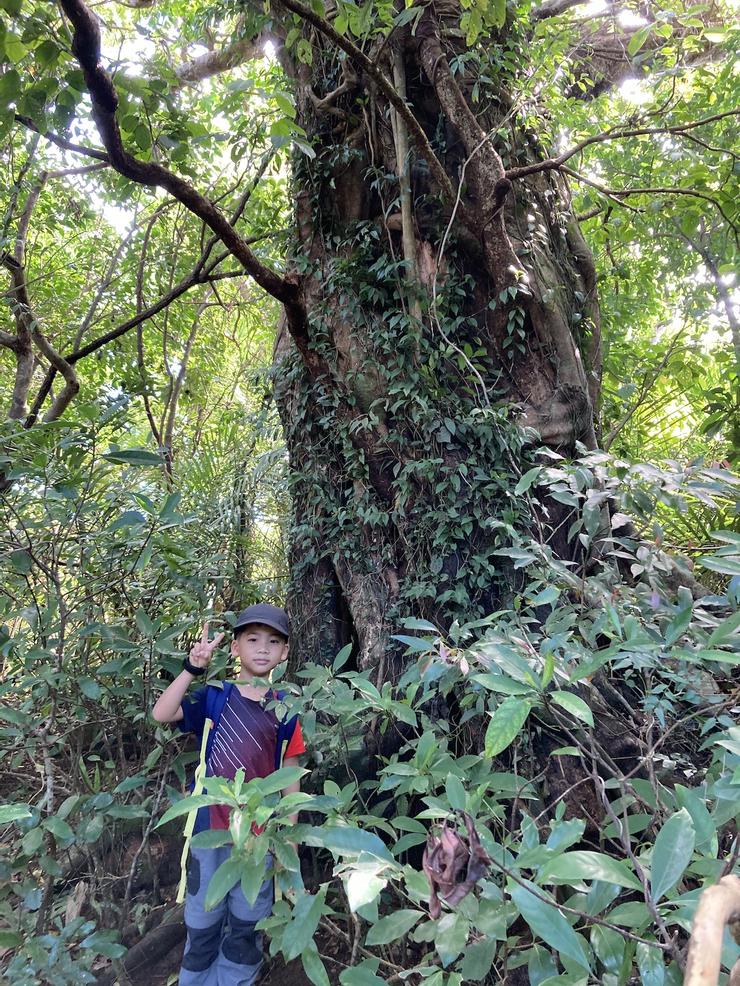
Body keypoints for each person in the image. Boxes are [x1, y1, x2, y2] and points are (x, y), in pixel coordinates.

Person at [152, 603, 305, 986]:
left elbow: (290, 772)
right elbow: (162, 713)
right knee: (203, 911)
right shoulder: (216, 695)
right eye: (252, 639)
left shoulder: (286, 706)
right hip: (209, 824)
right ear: (235, 647)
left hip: (261, 832)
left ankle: (236, 977)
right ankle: (195, 977)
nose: (262, 648)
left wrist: (290, 835)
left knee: (249, 914)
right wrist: (192, 668)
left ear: (284, 652)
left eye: (273, 642)